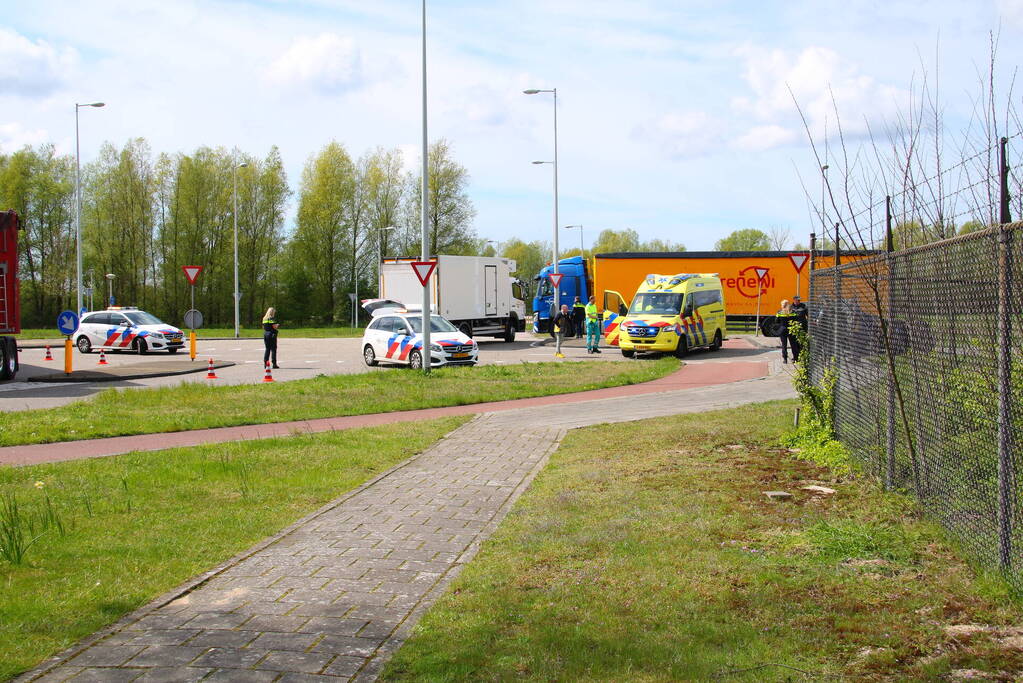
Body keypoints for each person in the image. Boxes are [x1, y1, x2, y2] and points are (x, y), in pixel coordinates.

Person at [775, 299, 801, 364]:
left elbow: (776, 321)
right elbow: (796, 320)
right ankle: (795, 358)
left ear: (782, 305)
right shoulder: (793, 312)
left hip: (783, 330)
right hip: (791, 329)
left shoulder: (779, 312)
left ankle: (785, 359)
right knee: (793, 344)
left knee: (784, 345)